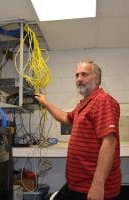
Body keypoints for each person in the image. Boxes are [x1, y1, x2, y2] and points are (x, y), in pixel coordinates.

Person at [35, 60, 121, 200]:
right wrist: (45, 103)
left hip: (92, 187)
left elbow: (109, 142)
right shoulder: (85, 104)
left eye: (84, 74)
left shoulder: (102, 100)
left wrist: (98, 185)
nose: (79, 79)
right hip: (78, 184)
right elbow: (65, 118)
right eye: (77, 75)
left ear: (97, 78)